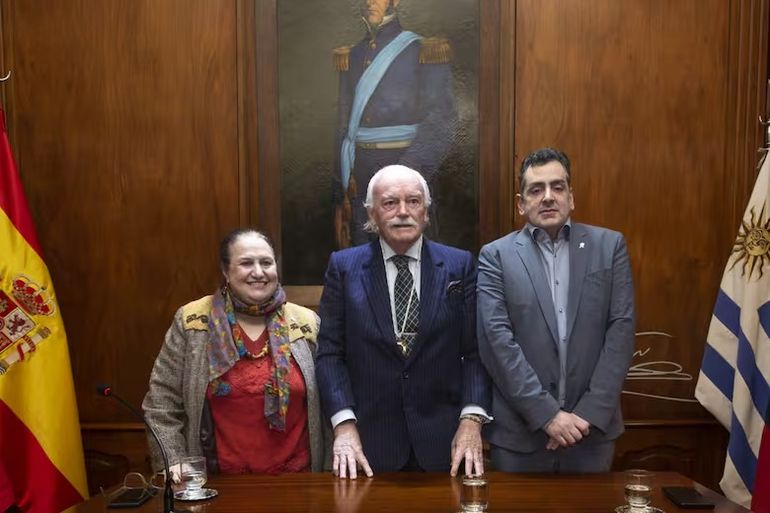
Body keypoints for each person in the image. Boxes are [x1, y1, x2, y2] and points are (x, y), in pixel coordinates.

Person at [316, 164, 491, 479]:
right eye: (390, 202)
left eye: (413, 201)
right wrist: (343, 425)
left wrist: (471, 419)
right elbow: (330, 354)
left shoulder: (459, 265)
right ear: (372, 214)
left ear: (426, 212)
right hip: (367, 445)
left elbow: (476, 351)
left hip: (447, 443)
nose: (403, 212)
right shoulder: (343, 268)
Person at [476, 148, 635, 473]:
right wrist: (546, 415)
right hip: (521, 437)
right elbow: (497, 342)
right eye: (536, 189)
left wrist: (587, 414)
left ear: (571, 197)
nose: (548, 197)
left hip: (589, 435)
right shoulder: (496, 256)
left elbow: (620, 331)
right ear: (521, 204)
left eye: (557, 187)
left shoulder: (609, 247)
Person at [142, 229, 326, 474]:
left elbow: (332, 401)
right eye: (246, 263)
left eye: (266, 263)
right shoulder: (193, 322)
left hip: (297, 481)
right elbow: (161, 403)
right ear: (226, 271)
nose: (258, 272)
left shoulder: (307, 323)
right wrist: (173, 461)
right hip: (218, 482)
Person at [332, 0, 457, 248]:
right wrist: (339, 196)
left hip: (408, 175)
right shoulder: (353, 55)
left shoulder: (422, 51)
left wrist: (404, 176)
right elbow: (343, 131)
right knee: (364, 260)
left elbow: (441, 121)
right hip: (360, 180)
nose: (369, 2)